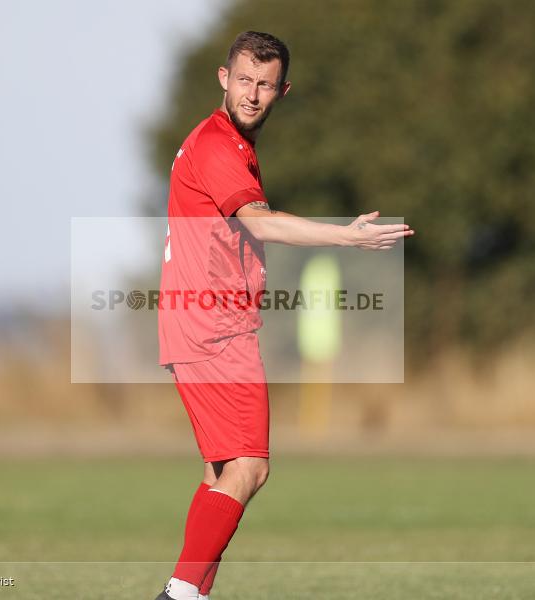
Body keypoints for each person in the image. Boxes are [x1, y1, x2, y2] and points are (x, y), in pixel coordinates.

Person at [155, 30, 414, 600]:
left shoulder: (228, 143)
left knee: (221, 473)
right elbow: (261, 223)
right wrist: (346, 237)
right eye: (244, 80)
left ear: (282, 91)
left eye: (265, 85)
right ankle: (178, 595)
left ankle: (189, 594)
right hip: (213, 328)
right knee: (250, 467)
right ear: (223, 79)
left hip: (197, 323)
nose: (252, 94)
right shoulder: (218, 145)